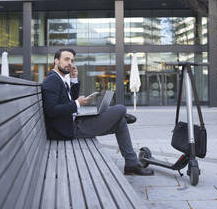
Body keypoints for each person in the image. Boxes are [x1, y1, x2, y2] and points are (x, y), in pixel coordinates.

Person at [42, 48, 154, 176]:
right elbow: (51, 110)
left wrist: (73, 79)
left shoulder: (59, 78)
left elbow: (68, 101)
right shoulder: (52, 80)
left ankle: (131, 164)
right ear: (56, 61)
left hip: (71, 123)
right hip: (68, 129)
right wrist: (77, 103)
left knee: (120, 122)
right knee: (121, 109)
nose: (70, 63)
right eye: (66, 59)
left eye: (72, 60)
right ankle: (121, 117)